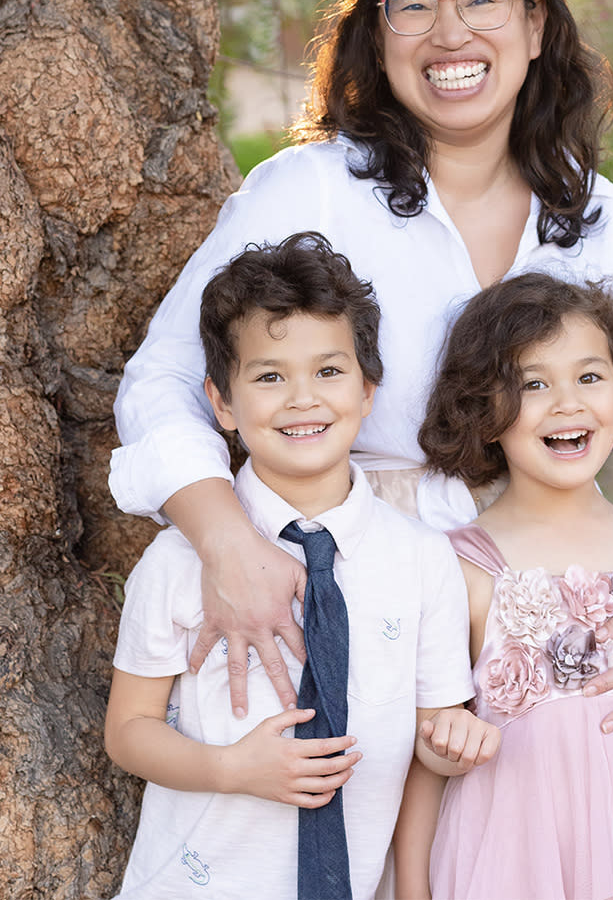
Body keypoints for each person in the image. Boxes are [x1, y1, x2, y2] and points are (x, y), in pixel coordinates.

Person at [109, 0, 613, 756]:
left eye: (484, 1)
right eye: (413, 5)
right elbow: (162, 380)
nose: (451, 33)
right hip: (339, 586)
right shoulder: (309, 192)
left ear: (536, 28)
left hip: (535, 610)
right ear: (376, 37)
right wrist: (227, 544)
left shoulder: (598, 222)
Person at [104, 233, 500, 898]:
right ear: (222, 404)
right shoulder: (178, 559)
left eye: (328, 370)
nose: (301, 398)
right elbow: (128, 731)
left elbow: (433, 736)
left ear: (369, 388)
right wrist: (232, 769)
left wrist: (454, 741)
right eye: (268, 376)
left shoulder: (424, 558)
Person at [394, 273, 613, 899]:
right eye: (533, 384)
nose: (568, 403)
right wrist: (413, 890)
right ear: (484, 409)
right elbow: (425, 756)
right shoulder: (464, 567)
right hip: (517, 864)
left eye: (589, 377)